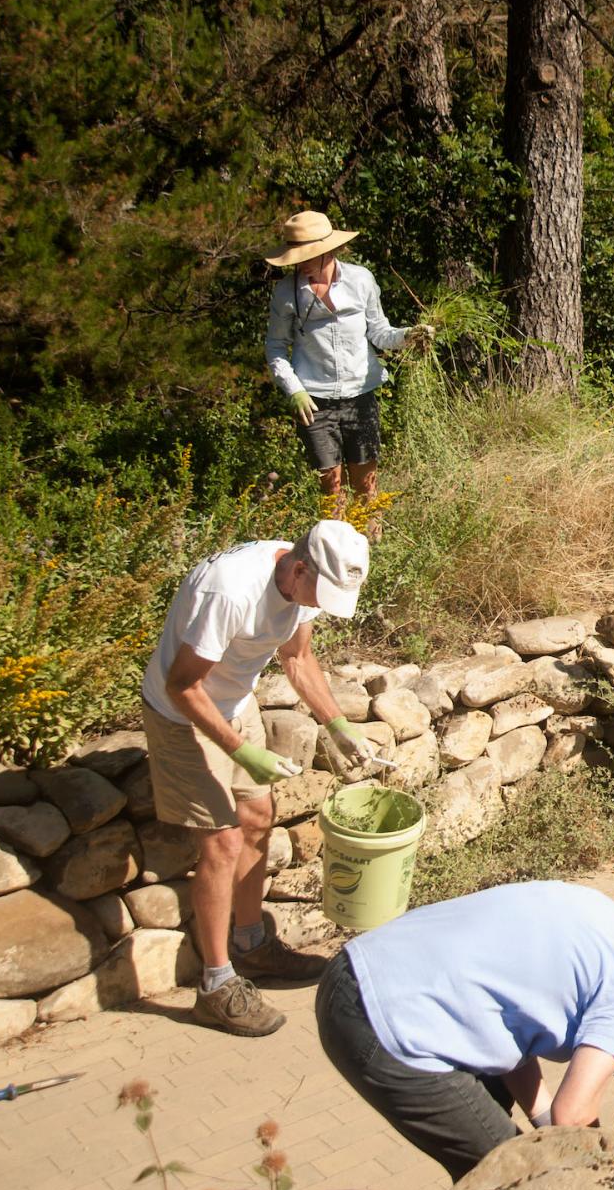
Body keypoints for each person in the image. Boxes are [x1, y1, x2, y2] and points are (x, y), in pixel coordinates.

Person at [316, 884, 614, 1180]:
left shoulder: (611, 921)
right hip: (386, 1020)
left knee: (495, 1121)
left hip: (354, 973)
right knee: (513, 1174)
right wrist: (607, 1176)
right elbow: (574, 1116)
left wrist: (544, 1122)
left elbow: (512, 1035)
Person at [140, 520, 380, 1036]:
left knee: (257, 818)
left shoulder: (304, 581)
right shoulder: (229, 591)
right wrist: (244, 751)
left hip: (232, 701)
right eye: (322, 592)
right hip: (183, 714)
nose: (320, 605)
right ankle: (216, 985)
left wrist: (339, 727)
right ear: (298, 570)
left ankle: (252, 946)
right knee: (222, 843)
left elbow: (298, 659)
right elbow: (181, 685)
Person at [263, 210, 433, 526]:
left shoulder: (360, 280)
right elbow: (275, 347)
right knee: (331, 488)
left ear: (329, 250)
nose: (302, 264)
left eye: (308, 255)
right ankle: (335, 557)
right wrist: (294, 389)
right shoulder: (286, 293)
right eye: (297, 257)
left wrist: (408, 336)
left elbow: (379, 332)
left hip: (360, 394)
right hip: (314, 401)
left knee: (366, 484)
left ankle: (371, 547)